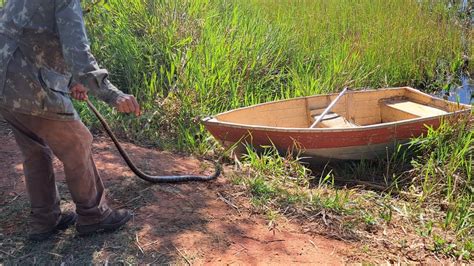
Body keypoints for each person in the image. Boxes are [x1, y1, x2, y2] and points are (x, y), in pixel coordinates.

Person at [0, 0, 141, 241]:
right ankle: (94, 215)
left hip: (5, 90)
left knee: (34, 150)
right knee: (78, 143)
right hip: (35, 91)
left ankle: (45, 220)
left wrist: (70, 82)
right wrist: (112, 94)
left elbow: (29, 39)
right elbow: (77, 51)